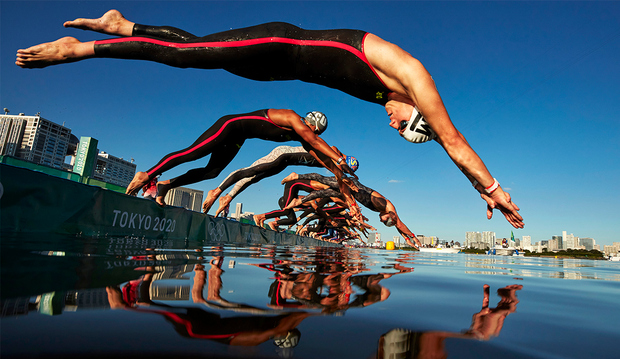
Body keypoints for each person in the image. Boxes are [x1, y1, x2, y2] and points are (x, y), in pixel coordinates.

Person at [16, 10, 523, 229]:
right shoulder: (413, 77)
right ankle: (80, 49)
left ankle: (124, 25)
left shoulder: (402, 101)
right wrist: (492, 186)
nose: (390, 122)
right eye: (403, 124)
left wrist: (475, 189)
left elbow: (443, 142)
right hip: (280, 42)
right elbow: (451, 138)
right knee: (186, 57)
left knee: (195, 48)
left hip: (276, 70)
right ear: (420, 112)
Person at [121, 108, 356, 206]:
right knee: (194, 153)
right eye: (314, 130)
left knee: (212, 172)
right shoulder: (293, 117)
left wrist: (342, 177)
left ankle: (165, 186)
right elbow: (315, 142)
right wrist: (339, 158)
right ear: (310, 123)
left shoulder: (306, 137)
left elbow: (324, 156)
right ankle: (148, 174)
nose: (313, 135)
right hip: (230, 126)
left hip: (238, 138)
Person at [202, 144, 359, 216]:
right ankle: (217, 191)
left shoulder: (335, 167)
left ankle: (228, 197)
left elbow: (342, 186)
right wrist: (341, 162)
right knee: (251, 171)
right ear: (346, 160)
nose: (345, 172)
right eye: (347, 169)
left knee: (254, 179)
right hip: (282, 153)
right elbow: (334, 151)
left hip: (285, 162)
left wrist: (352, 205)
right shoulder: (335, 153)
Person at [282, 172, 421, 248]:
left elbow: (398, 224)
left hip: (351, 196)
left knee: (325, 192)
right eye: (383, 219)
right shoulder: (384, 204)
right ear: (389, 215)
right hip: (352, 186)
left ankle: (299, 201)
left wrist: (406, 238)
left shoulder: (391, 213)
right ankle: (297, 176)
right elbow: (400, 224)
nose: (379, 219)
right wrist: (413, 237)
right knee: (323, 180)